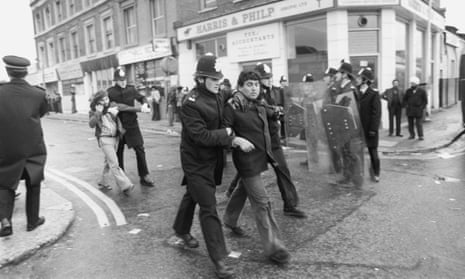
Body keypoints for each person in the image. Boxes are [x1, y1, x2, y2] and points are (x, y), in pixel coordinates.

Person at [171, 54, 253, 279]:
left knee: (192, 195)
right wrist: (228, 136)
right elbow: (200, 136)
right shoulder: (190, 103)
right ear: (200, 79)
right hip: (195, 162)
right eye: (212, 78)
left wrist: (247, 92)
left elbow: (234, 96)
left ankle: (180, 229)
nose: (218, 82)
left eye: (219, 78)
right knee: (208, 207)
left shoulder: (218, 93)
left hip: (212, 160)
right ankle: (219, 259)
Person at [223, 70, 291, 265]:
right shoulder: (233, 106)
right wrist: (235, 140)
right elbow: (224, 132)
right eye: (249, 85)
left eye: (256, 85)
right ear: (240, 86)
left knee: (243, 189)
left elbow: (269, 111)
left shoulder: (258, 102)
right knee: (262, 202)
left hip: (261, 157)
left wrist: (279, 111)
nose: (254, 88)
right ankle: (274, 247)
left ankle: (229, 218)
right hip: (246, 161)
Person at [0, 55, 48, 237]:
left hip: (6, 147)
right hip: (33, 148)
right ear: (26, 72)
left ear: (7, 71)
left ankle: (5, 221)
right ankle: (32, 221)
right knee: (33, 183)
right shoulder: (38, 94)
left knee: (5, 184)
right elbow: (42, 112)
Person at [252, 62, 306, 218]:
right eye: (265, 78)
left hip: (274, 140)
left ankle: (290, 205)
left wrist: (281, 112)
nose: (268, 80)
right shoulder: (254, 93)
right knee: (246, 180)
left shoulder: (274, 91)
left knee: (283, 171)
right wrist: (274, 111)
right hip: (259, 140)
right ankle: (231, 213)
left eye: (270, 77)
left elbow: (281, 108)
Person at [107, 67, 155, 187]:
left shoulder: (131, 89)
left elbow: (141, 97)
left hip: (132, 125)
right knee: (119, 152)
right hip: (118, 126)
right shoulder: (110, 92)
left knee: (140, 149)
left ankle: (144, 175)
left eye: (124, 79)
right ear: (115, 80)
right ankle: (122, 178)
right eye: (120, 80)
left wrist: (145, 103)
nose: (123, 82)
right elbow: (106, 105)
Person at [89, 91, 135, 195]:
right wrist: (98, 112)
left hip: (115, 138)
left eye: (107, 98)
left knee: (108, 162)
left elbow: (126, 108)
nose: (106, 101)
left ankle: (103, 181)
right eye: (103, 100)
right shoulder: (94, 111)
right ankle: (125, 185)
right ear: (98, 101)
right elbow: (91, 124)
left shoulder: (111, 108)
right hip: (104, 139)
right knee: (114, 163)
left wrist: (142, 108)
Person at [357, 68, 381, 182]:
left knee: (373, 152)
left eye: (360, 77)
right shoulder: (356, 91)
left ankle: (376, 173)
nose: (357, 79)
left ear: (365, 80)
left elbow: (376, 114)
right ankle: (360, 173)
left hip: (369, 129)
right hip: (358, 129)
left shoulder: (374, 94)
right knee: (358, 153)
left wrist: (373, 129)